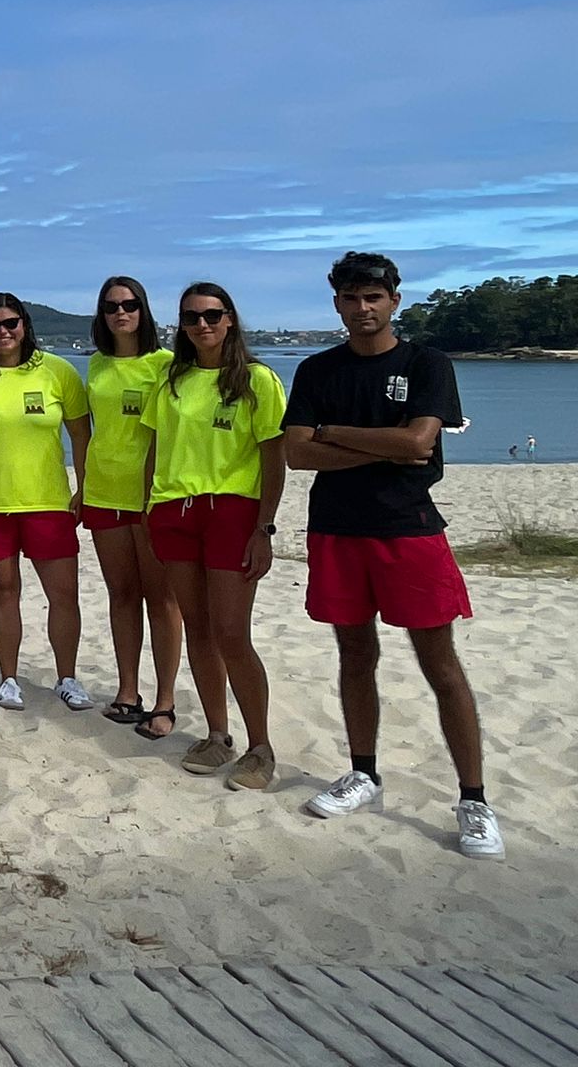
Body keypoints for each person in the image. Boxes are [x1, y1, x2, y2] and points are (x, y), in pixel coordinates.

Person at [286, 251, 501, 859]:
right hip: (336, 528)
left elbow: (418, 442)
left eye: (373, 298)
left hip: (407, 529)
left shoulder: (426, 363)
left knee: (441, 665)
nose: (363, 309)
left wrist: (335, 433)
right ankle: (364, 772)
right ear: (337, 304)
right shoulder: (318, 370)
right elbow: (297, 454)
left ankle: (474, 799)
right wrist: (380, 446)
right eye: (351, 299)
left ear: (394, 301)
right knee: (355, 654)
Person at [142, 282, 286, 790]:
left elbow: (274, 457)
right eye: (191, 318)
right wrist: (149, 509)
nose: (202, 325)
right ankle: (217, 733)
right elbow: (157, 449)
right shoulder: (172, 381)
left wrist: (264, 528)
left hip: (232, 511)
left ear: (229, 319)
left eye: (211, 315)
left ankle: (261, 746)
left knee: (231, 632)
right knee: (198, 627)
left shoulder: (256, 380)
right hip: (174, 511)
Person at [0, 293, 94, 714]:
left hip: (48, 501)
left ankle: (67, 677)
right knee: (4, 592)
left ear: (24, 325)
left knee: (64, 595)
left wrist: (83, 487)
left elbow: (81, 436)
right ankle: (9, 678)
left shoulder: (58, 371)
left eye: (11, 323)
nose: (3, 332)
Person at [82, 276, 183, 741]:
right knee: (122, 596)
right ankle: (128, 691)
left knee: (161, 600)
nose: (120, 313)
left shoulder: (166, 365)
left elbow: (172, 435)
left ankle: (165, 701)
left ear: (143, 310)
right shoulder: (98, 366)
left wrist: (155, 495)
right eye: (110, 307)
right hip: (102, 493)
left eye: (128, 305)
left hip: (149, 497)